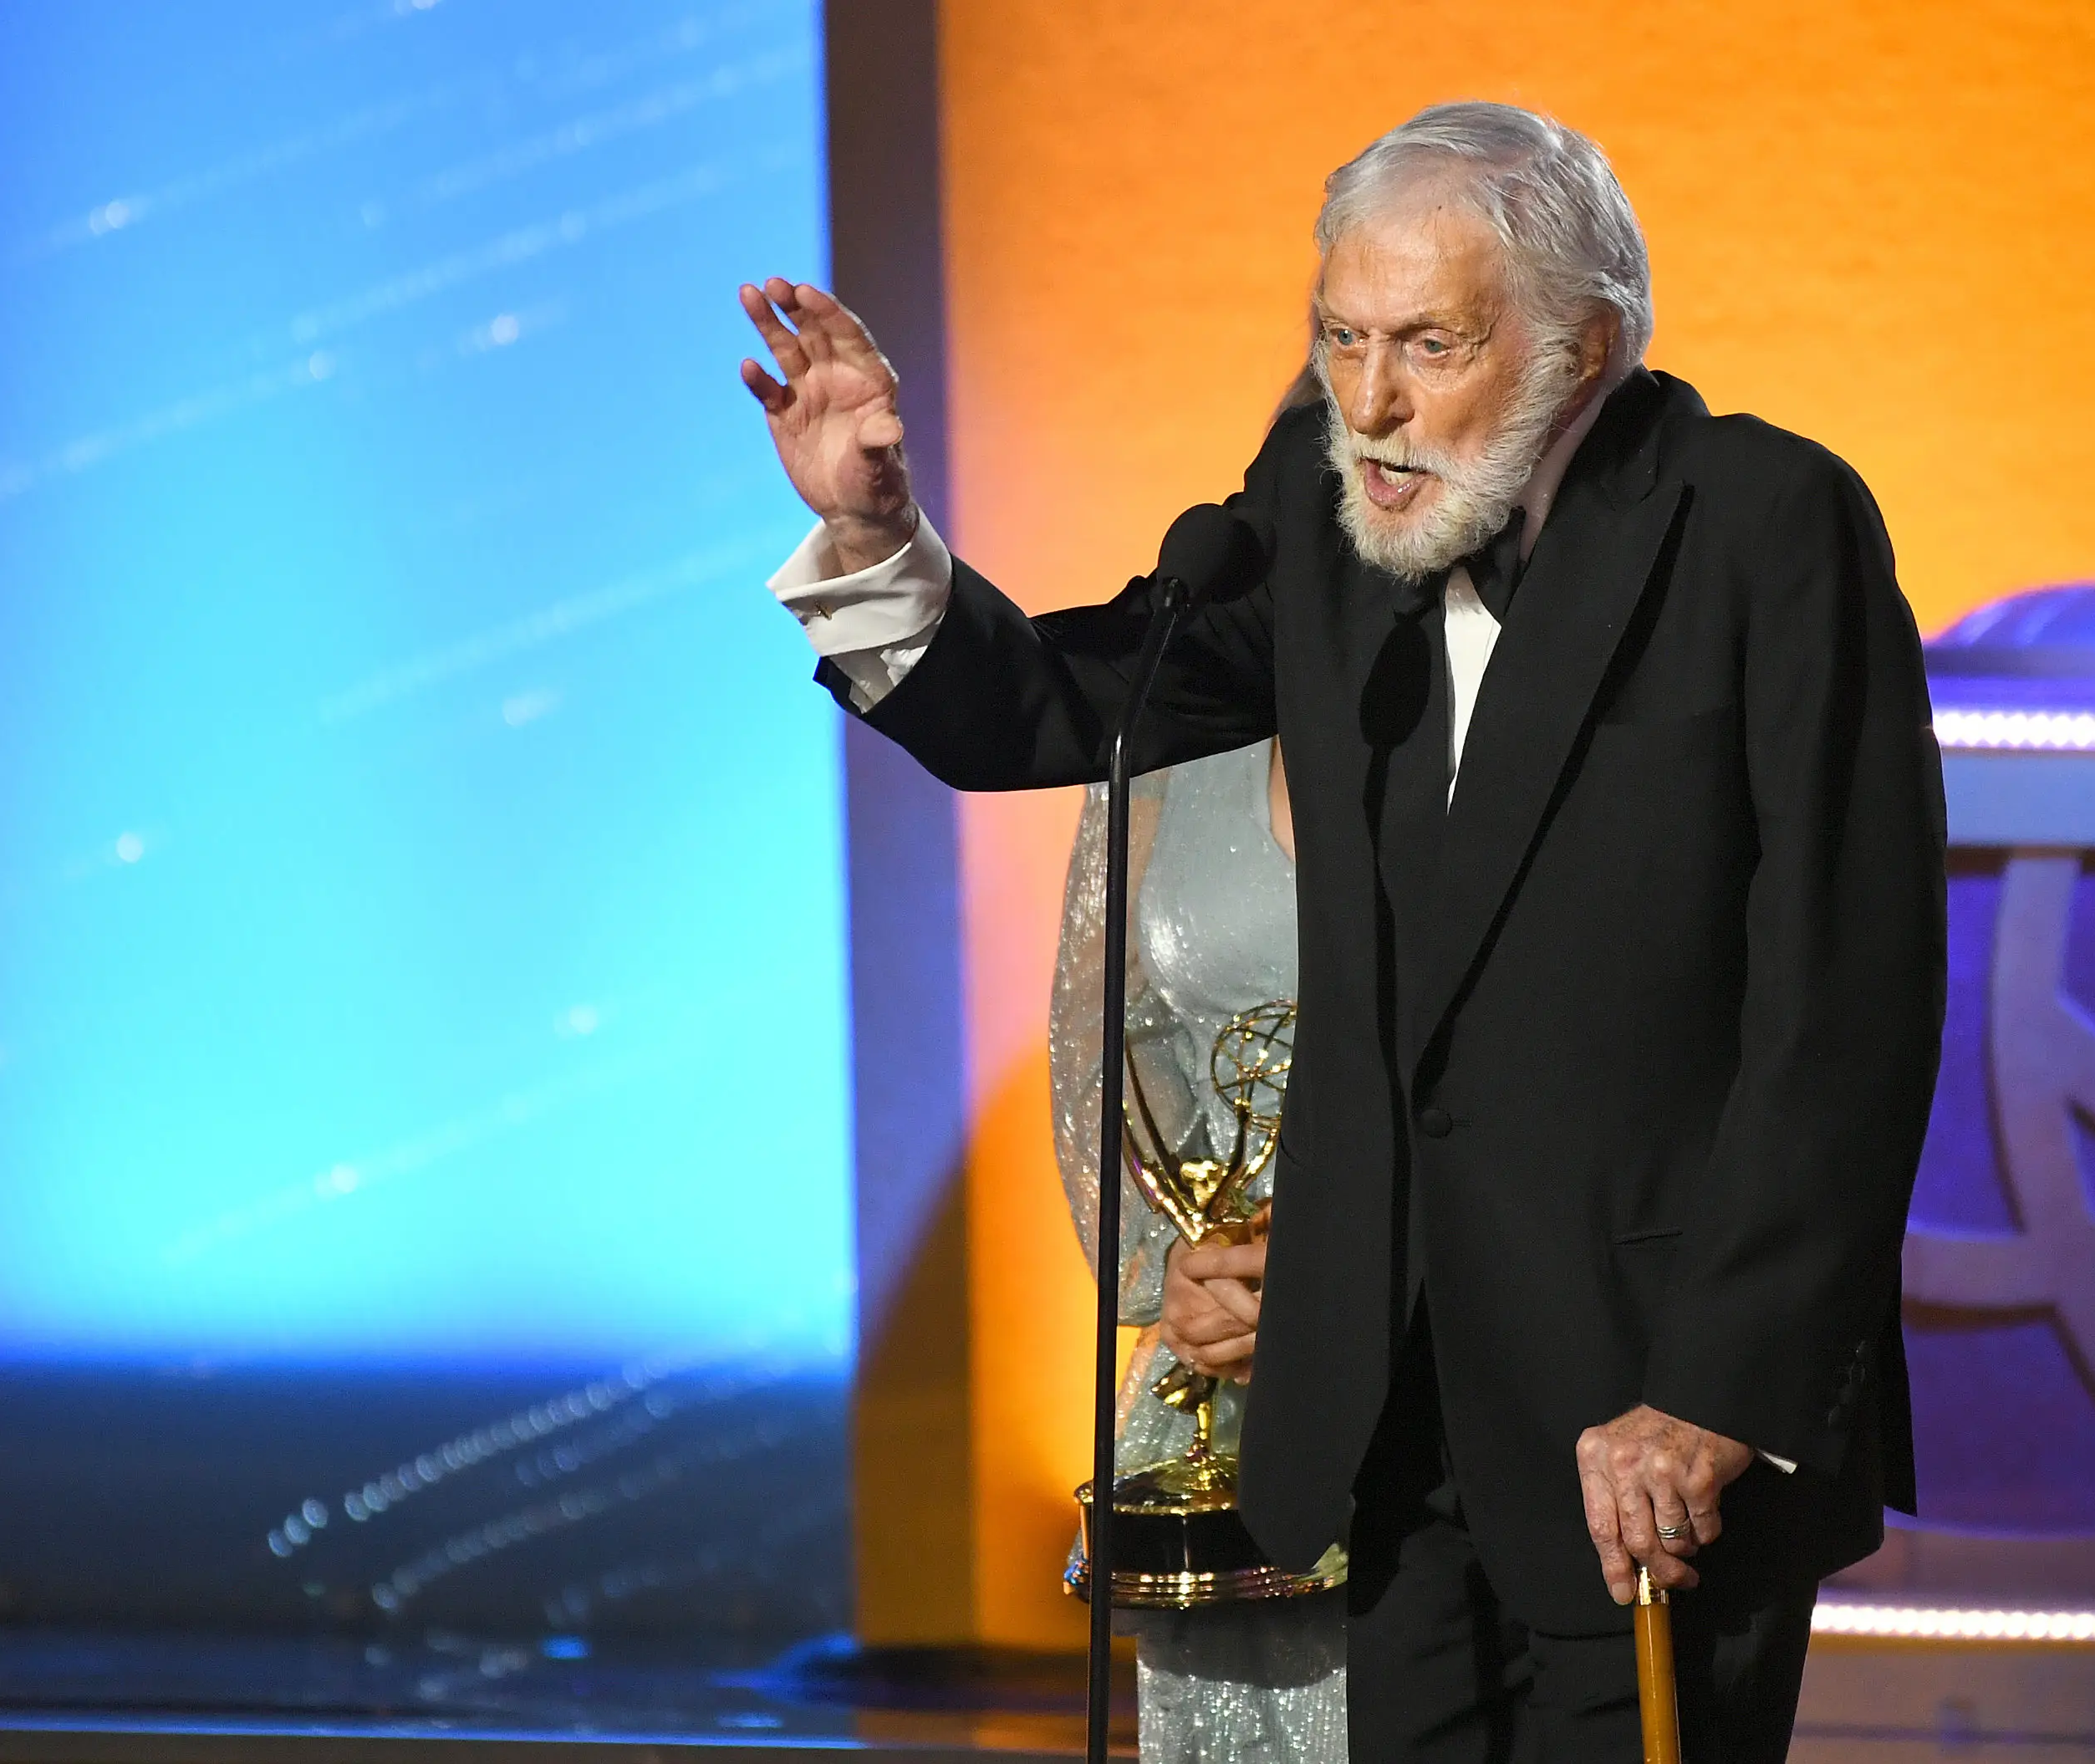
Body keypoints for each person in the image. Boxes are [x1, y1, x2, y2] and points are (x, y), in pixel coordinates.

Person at [743, 100, 1946, 1761]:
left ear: (1582, 341)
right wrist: (880, 537)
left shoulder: (1762, 524)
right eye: (1341, 339)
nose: (1367, 399)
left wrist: (1721, 1389)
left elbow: (1851, 1000)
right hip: (1387, 1408)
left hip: (1649, 1431)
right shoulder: (1331, 522)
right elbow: (1070, 704)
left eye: (1427, 345)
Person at [1050, 733, 1344, 1762]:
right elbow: (1113, 1047)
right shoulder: (1173, 717)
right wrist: (1178, 1265)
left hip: (1474, 1352)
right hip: (1231, 1378)